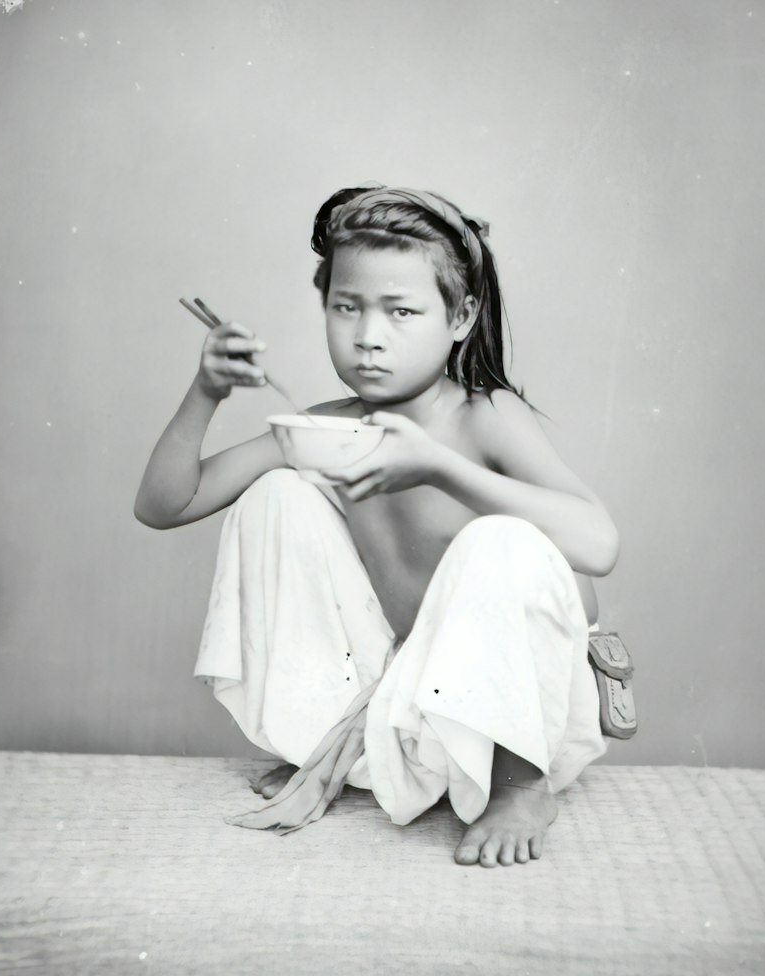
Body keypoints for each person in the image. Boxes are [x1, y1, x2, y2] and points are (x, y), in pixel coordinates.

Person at [134, 185, 620, 867]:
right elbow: (163, 505)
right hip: (413, 700)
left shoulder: (483, 416)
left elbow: (600, 545)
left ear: (460, 317)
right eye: (346, 307)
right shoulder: (325, 427)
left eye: (401, 311)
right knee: (276, 495)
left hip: (525, 714)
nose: (368, 335)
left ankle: (520, 786)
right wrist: (206, 391)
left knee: (499, 536)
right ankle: (327, 745)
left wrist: (439, 466)